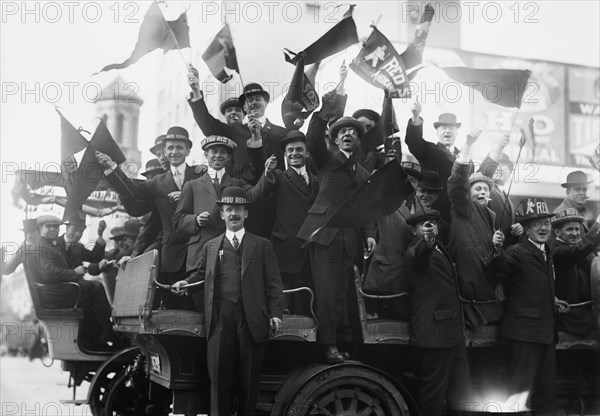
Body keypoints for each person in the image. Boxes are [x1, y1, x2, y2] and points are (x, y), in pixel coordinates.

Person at [171, 187, 283, 416]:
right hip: (220, 317)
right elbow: (201, 276)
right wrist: (185, 283)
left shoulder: (262, 245)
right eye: (229, 209)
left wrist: (275, 314)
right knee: (219, 379)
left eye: (239, 209)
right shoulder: (210, 246)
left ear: (246, 214)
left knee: (249, 380)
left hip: (252, 318)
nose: (234, 214)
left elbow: (273, 283)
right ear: (221, 214)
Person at [297, 116, 377, 363]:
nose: (347, 134)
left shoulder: (362, 172)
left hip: (349, 240)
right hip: (324, 236)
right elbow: (312, 139)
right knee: (327, 293)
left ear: (358, 139)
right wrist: (324, 114)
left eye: (353, 131)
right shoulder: (327, 161)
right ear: (335, 138)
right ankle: (327, 346)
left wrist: (370, 235)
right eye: (342, 131)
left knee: (341, 295)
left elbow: (365, 208)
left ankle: (337, 343)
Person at [96, 126, 202, 308]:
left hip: (199, 254)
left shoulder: (200, 175)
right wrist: (113, 168)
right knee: (171, 310)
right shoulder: (157, 183)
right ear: (166, 152)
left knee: (201, 310)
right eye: (170, 148)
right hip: (171, 259)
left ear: (188, 150)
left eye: (179, 147)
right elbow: (132, 189)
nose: (174, 152)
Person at [492, 197, 565, 415]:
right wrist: (496, 250)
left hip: (545, 333)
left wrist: (552, 300)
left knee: (545, 392)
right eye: (537, 224)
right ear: (526, 228)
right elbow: (498, 268)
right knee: (519, 394)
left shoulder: (546, 250)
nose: (543, 228)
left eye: (547, 223)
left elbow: (535, 284)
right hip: (525, 334)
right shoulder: (516, 252)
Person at [405, 207, 470, 416]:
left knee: (460, 389)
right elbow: (420, 255)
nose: (429, 227)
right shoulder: (414, 251)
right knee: (434, 392)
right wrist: (428, 241)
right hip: (436, 332)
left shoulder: (441, 248)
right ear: (415, 232)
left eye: (432, 223)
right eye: (423, 225)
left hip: (453, 331)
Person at [174, 135, 271, 274]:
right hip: (200, 256)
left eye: (223, 152)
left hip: (232, 254)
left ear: (229, 157)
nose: (218, 155)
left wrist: (266, 174)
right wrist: (195, 220)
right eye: (214, 151)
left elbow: (254, 195)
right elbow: (178, 221)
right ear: (206, 155)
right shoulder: (192, 185)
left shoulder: (238, 183)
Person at [23, 215, 117, 349]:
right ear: (40, 228)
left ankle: (94, 341)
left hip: (57, 291)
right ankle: (109, 330)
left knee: (90, 303)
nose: (53, 230)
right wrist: (75, 272)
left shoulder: (48, 245)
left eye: (55, 227)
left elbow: (92, 258)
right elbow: (49, 273)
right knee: (96, 287)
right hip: (55, 294)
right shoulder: (41, 247)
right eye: (48, 226)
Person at [187, 66, 287, 182]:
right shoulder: (234, 130)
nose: (254, 103)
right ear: (244, 107)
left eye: (258, 99)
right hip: (244, 191)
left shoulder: (280, 132)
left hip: (275, 191)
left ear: (266, 103)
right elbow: (207, 123)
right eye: (249, 101)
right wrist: (196, 91)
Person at [448, 129, 505, 328]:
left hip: (486, 293)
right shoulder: (463, 207)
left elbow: (490, 260)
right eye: (477, 188)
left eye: (486, 189)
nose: (482, 191)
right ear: (467, 193)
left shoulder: (490, 215)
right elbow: (456, 183)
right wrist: (468, 145)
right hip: (466, 294)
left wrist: (497, 248)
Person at [262, 130, 319, 316]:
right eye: (290, 150)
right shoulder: (279, 176)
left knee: (305, 297)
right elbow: (268, 182)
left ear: (307, 153)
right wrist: (267, 172)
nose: (294, 153)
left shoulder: (317, 181)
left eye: (299, 149)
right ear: (285, 154)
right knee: (284, 300)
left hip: (310, 247)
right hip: (286, 245)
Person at [405, 99, 462, 222]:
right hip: (432, 213)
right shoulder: (429, 150)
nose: (447, 130)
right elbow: (413, 141)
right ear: (437, 132)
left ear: (457, 132)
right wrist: (416, 117)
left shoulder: (464, 158)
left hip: (458, 216)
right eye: (443, 127)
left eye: (451, 127)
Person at [551, 208, 600, 338]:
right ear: (557, 232)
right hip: (570, 318)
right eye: (569, 229)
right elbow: (580, 250)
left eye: (577, 229)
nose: (575, 233)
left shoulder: (575, 249)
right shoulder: (557, 251)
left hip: (584, 314)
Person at [479, 134, 523, 247]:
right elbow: (483, 174)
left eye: (508, 167)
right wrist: (499, 147)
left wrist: (518, 229)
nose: (504, 170)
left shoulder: (506, 197)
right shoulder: (485, 189)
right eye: (499, 165)